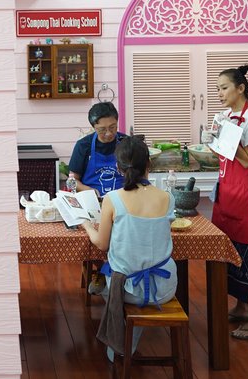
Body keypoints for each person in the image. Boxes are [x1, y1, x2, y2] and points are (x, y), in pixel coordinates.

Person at [82, 136, 177, 363]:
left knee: (105, 280)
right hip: (165, 288)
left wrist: (86, 225)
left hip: (129, 290)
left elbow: (102, 244)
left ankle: (124, 344)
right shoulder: (167, 197)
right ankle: (128, 341)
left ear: (118, 167)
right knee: (127, 273)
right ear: (149, 164)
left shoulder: (113, 199)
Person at [207, 64, 248, 340]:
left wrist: (227, 134)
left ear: (241, 88)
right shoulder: (226, 116)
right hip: (229, 192)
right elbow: (220, 153)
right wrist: (214, 138)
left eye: (224, 88)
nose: (219, 93)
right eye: (218, 89)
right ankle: (242, 307)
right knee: (233, 252)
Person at [69, 102, 128, 196]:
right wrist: (90, 191)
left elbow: (140, 176)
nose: (108, 133)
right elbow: (71, 181)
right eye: (102, 129)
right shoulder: (83, 145)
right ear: (94, 127)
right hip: (92, 200)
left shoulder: (127, 143)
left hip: (123, 199)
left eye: (112, 127)